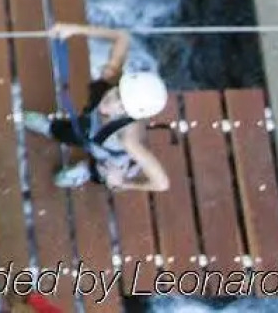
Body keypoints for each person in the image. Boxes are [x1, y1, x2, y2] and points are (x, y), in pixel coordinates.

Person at [22, 22, 171, 193]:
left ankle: (88, 171)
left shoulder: (129, 140)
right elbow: (122, 36)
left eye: (122, 106)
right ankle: (51, 128)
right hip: (90, 129)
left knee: (104, 170)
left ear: (131, 114)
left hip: (110, 156)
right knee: (78, 130)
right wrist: (74, 29)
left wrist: (123, 184)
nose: (111, 103)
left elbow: (162, 183)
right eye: (117, 94)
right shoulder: (112, 78)